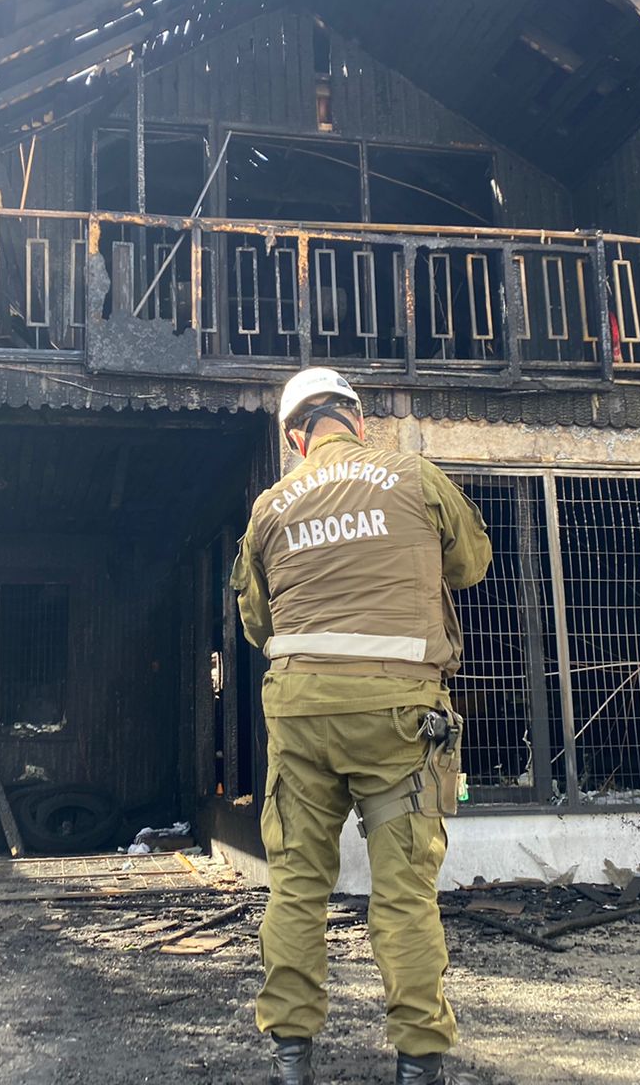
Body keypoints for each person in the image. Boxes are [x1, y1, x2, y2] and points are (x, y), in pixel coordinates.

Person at [231, 367, 491, 1085]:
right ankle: (417, 1062)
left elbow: (256, 624)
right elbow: (472, 563)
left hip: (303, 714)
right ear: (357, 420)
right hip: (401, 715)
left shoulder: (271, 505)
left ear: (293, 437)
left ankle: (291, 1061)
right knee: (404, 893)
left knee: (296, 887)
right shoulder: (412, 473)